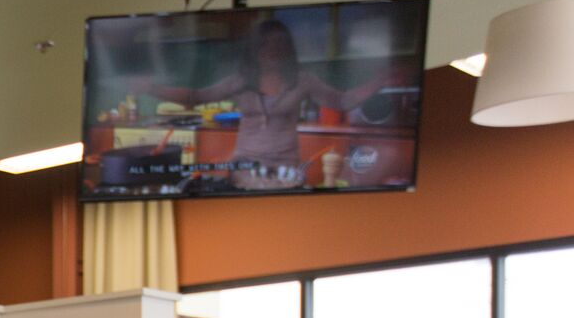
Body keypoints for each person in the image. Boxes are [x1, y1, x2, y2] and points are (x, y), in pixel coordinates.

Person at [131, 19, 414, 190]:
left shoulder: (303, 80)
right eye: (267, 44)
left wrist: (381, 79)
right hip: (244, 170)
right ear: (256, 49)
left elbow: (341, 101)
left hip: (285, 170)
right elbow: (196, 96)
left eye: (280, 45)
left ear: (288, 49)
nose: (274, 50)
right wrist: (152, 88)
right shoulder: (241, 80)